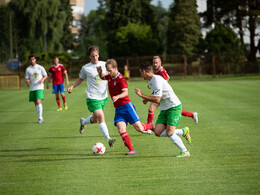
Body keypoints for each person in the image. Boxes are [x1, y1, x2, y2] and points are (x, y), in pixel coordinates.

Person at [97, 59, 153, 155]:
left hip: (127, 107)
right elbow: (102, 77)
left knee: (139, 128)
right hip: (118, 109)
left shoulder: (121, 79)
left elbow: (125, 92)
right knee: (121, 129)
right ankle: (131, 150)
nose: (109, 73)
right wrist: (100, 72)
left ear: (115, 68)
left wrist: (117, 96)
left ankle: (151, 126)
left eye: (110, 70)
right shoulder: (110, 77)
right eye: (107, 71)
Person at [135, 62, 191, 157]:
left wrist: (142, 95)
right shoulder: (151, 80)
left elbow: (157, 99)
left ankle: (185, 151)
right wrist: (146, 98)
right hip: (165, 109)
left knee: (170, 133)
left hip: (174, 107)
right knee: (157, 132)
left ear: (144, 71)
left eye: (140, 72)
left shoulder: (156, 80)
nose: (140, 74)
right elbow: (156, 92)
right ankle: (182, 131)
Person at [67, 46, 116, 147]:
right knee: (101, 116)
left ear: (98, 55)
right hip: (92, 96)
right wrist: (72, 86)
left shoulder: (104, 65)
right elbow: (80, 79)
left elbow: (111, 75)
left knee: (95, 119)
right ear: (89, 56)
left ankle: (83, 122)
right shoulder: (86, 68)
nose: (95, 58)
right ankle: (109, 139)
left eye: (96, 55)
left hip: (103, 96)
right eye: (92, 56)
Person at [146, 56, 198, 125]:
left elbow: (165, 80)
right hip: (161, 95)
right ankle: (192, 115)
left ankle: (149, 127)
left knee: (151, 108)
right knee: (173, 109)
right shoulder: (156, 71)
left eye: (156, 63)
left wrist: (159, 88)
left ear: (160, 63)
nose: (155, 64)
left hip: (162, 95)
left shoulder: (161, 71)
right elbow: (168, 77)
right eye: (154, 63)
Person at [25, 54, 48, 124]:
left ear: (35, 60)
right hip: (32, 87)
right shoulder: (28, 69)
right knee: (35, 103)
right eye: (31, 59)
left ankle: (40, 118)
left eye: (33, 59)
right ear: (29, 60)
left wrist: (42, 80)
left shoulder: (40, 67)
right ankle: (40, 117)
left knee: (38, 101)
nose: (32, 61)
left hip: (39, 87)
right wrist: (27, 81)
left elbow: (46, 75)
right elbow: (27, 78)